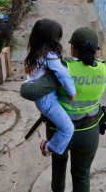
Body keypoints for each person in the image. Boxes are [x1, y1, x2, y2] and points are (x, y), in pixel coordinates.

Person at [20, 27, 106, 192]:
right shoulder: (103, 69)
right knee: (82, 174)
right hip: (90, 132)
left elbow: (31, 91)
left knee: (59, 163)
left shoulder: (63, 68)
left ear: (73, 49)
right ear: (96, 51)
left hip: (59, 130)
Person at [24, 19, 75, 156]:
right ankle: (48, 147)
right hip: (48, 102)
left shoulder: (35, 54)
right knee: (68, 129)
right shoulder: (49, 56)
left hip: (43, 100)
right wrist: (72, 91)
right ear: (52, 39)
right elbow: (63, 74)